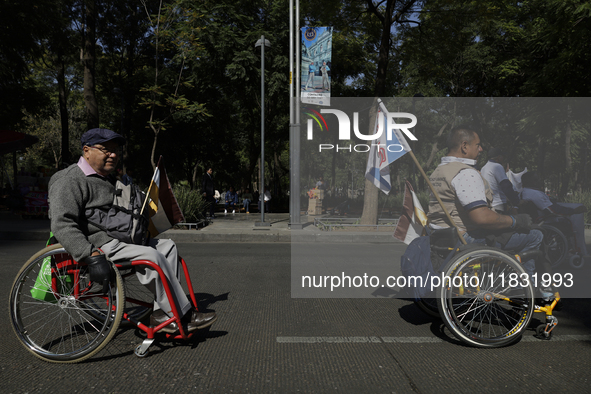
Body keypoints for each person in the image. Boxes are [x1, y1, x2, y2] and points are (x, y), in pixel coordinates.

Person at [48, 128, 216, 334]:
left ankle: (162, 314)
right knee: (152, 256)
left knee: (168, 247)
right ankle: (180, 313)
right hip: (97, 243)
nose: (113, 155)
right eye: (106, 150)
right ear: (86, 151)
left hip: (119, 237)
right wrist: (88, 253)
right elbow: (61, 223)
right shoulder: (68, 180)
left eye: (116, 150)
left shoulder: (108, 179)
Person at [427, 125, 551, 299]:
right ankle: (524, 292)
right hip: (466, 238)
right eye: (477, 145)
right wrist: (516, 221)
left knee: (509, 231)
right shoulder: (465, 174)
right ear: (464, 146)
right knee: (535, 235)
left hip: (443, 235)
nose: (481, 149)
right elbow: (481, 218)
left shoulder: (438, 171)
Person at [520, 171, 589, 259]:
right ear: (532, 182)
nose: (539, 181)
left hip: (539, 217)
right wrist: (573, 211)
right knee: (568, 224)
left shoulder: (527, 192)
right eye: (537, 180)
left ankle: (566, 249)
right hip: (542, 220)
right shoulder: (534, 194)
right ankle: (573, 249)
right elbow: (551, 210)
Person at [480, 147, 520, 213]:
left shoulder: (484, 168)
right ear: (498, 157)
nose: (503, 158)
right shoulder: (497, 166)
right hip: (498, 204)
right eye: (502, 156)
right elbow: (505, 186)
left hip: (489, 203)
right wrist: (516, 201)